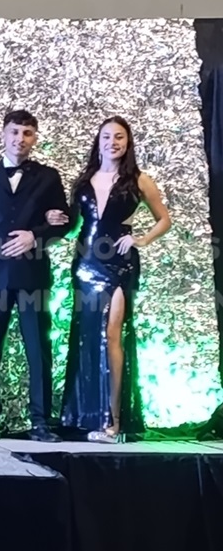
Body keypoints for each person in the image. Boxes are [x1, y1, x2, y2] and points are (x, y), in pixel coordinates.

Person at [52, 116, 170, 443]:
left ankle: (113, 422)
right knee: (88, 338)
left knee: (111, 335)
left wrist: (141, 239)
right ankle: (86, 415)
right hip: (85, 264)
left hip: (119, 264)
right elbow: (73, 226)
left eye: (119, 137)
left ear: (127, 142)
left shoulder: (139, 180)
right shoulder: (84, 181)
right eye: (107, 136)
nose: (112, 142)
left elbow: (164, 219)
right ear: (99, 141)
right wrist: (56, 218)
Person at [0, 109, 69, 442]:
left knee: (38, 349)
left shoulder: (49, 177)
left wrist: (33, 236)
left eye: (26, 133)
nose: (19, 139)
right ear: (3, 134)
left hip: (33, 274)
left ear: (34, 138)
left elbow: (63, 223)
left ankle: (41, 422)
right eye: (14, 132)